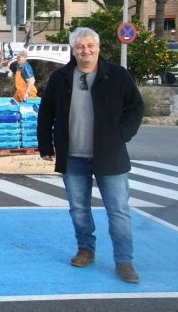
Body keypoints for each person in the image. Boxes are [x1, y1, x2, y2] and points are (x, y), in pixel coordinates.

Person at [37, 27, 145, 284]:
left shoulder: (117, 75)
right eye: (79, 47)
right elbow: (46, 113)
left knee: (118, 210)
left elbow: (136, 107)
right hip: (72, 156)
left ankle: (124, 261)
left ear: (98, 47)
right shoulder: (61, 77)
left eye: (89, 46)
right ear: (73, 50)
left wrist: (122, 135)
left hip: (111, 154)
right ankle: (85, 249)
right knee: (78, 208)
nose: (85, 51)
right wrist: (45, 145)